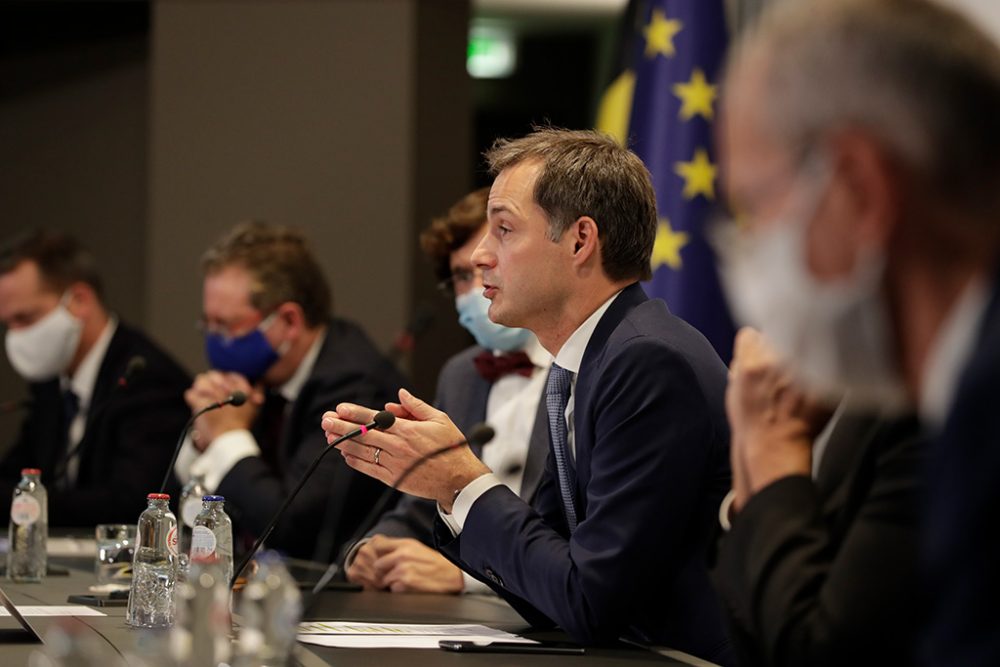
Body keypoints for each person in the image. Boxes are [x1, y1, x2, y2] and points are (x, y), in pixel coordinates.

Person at [323, 128, 733, 662]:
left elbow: (591, 601)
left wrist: (463, 482)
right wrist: (449, 491)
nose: (480, 257)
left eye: (504, 230)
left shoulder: (646, 361)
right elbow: (550, 588)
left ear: (581, 241)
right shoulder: (586, 360)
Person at [713, 1, 1000, 664]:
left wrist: (769, 442)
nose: (750, 247)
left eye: (757, 203)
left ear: (861, 189)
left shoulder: (983, 399)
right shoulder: (952, 381)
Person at [345, 188, 551, 594]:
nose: (478, 285)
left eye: (487, 264)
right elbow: (423, 503)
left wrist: (466, 578)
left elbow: (576, 545)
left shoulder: (579, 367)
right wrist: (374, 550)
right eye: (460, 276)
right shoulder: (461, 375)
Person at [173, 221, 407, 560]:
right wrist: (203, 439)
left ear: (289, 322)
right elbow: (186, 521)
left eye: (225, 325)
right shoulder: (256, 381)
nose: (213, 339)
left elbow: (295, 528)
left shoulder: (356, 387)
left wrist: (227, 439)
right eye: (207, 324)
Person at [709, 329, 923, 666]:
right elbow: (762, 623)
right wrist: (752, 436)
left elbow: (819, 649)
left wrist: (774, 442)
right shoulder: (874, 391)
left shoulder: (927, 410)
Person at [0, 230, 190, 525]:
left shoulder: (146, 378)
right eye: (8, 323)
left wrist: (26, 504)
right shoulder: (50, 380)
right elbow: (19, 471)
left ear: (80, 301)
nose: (16, 336)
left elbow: (131, 503)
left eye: (25, 319)